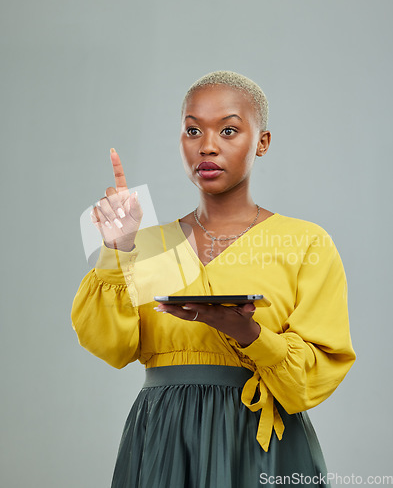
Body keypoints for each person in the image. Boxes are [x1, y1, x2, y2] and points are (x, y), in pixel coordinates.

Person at [71, 71, 356, 488]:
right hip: (164, 437)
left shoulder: (306, 242)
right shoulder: (143, 244)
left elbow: (312, 377)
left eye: (228, 130)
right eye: (192, 130)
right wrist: (118, 247)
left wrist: (248, 333)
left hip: (259, 441)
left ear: (262, 142)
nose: (207, 145)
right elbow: (109, 344)